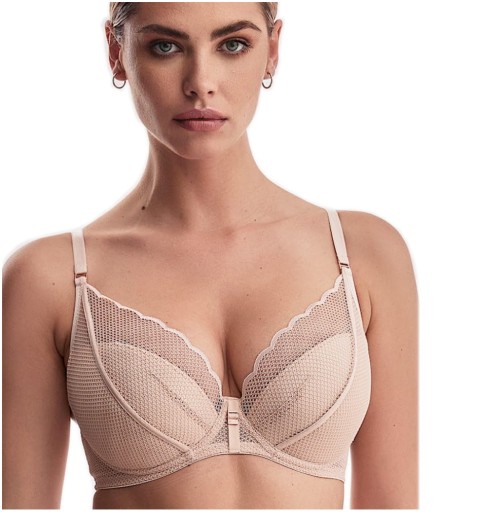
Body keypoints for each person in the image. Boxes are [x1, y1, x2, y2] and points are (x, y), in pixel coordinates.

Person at [2, 2, 418, 509]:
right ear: (116, 51)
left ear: (273, 50)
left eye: (233, 45)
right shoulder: (52, 278)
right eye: (165, 46)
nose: (201, 82)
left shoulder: (362, 254)